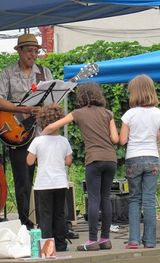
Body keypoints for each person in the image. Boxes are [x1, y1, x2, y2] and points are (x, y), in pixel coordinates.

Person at [41, 82, 119, 251]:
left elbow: (53, 126)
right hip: (111, 159)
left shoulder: (78, 113)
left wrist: (40, 137)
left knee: (93, 199)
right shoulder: (108, 113)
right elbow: (115, 139)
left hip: (94, 159)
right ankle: (105, 239)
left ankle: (92, 241)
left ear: (81, 96)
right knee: (105, 198)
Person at [0, 34, 53, 229]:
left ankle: (47, 222)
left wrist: (47, 110)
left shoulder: (45, 73)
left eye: (36, 51)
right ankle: (24, 221)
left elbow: (52, 101)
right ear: (19, 51)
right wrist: (22, 110)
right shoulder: (7, 73)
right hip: (17, 133)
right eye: (29, 51)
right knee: (23, 181)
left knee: (47, 175)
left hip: (41, 132)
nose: (33, 55)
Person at [119, 74, 160, 249]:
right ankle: (150, 241)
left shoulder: (129, 114)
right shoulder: (159, 114)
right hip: (152, 158)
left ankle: (133, 240)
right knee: (149, 199)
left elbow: (122, 140)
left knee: (134, 199)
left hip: (133, 158)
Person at [27, 104, 72, 252]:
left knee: (45, 216)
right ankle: (60, 244)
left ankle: (48, 248)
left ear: (41, 122)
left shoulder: (38, 141)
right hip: (60, 182)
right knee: (59, 214)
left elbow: (29, 161)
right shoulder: (64, 141)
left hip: (43, 184)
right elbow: (68, 161)